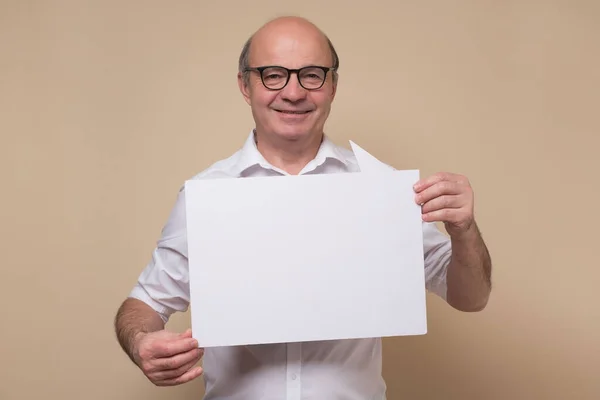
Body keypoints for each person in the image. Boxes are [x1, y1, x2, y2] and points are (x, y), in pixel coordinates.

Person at [114, 15, 492, 400]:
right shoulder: (207, 194)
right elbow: (144, 303)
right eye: (273, 74)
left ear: (332, 85)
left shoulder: (381, 188)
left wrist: (464, 232)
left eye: (311, 74)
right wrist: (141, 341)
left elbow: (471, 297)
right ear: (245, 85)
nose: (293, 93)